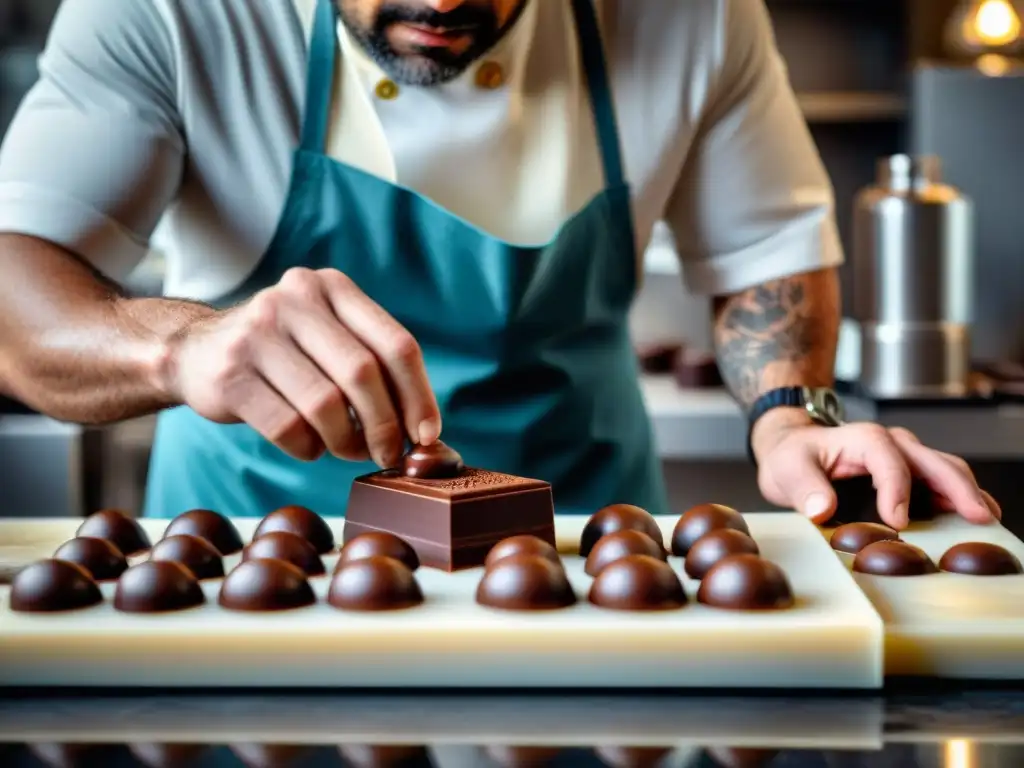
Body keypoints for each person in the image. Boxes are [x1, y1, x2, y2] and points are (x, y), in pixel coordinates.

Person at [0, 0, 999, 528]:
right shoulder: (167, 11)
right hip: (252, 551)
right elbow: (15, 294)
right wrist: (182, 348)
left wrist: (795, 419)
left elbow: (763, 254)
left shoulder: (694, 14)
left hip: (589, 553)